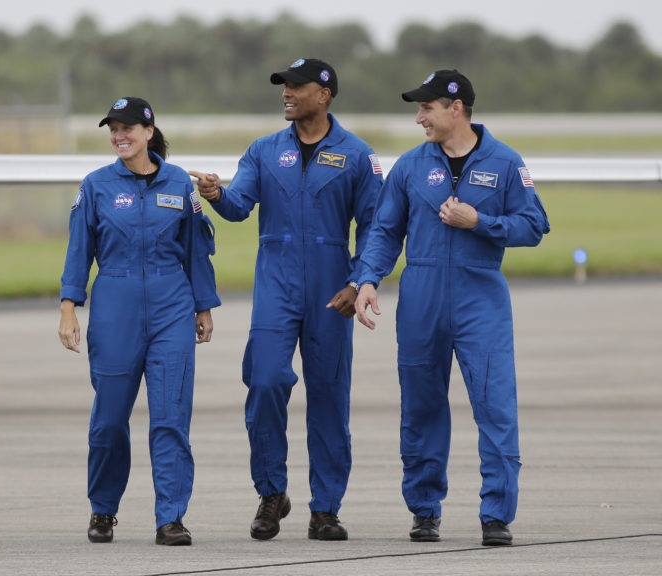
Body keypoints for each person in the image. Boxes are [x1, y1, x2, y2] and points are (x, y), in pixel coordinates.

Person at [353, 69, 550, 546]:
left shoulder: (505, 163)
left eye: (427, 108)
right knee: (420, 407)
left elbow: (534, 224)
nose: (419, 117)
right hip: (421, 297)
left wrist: (481, 221)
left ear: (455, 108)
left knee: (494, 407)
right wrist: (367, 279)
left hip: (479, 298)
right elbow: (384, 230)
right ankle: (424, 509)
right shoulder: (409, 166)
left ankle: (496, 514)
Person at [190, 58, 382, 541]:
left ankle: (326, 509)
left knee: (329, 398)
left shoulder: (357, 155)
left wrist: (358, 280)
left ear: (324, 94)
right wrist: (216, 193)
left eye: (296, 86)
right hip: (276, 285)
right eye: (283, 86)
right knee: (266, 382)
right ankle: (272, 492)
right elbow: (238, 208)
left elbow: (377, 227)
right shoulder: (263, 150)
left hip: (331, 287)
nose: (286, 93)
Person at [58, 96, 221, 546]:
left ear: (150, 132)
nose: (120, 135)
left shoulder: (179, 185)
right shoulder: (95, 186)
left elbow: (196, 249)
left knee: (170, 417)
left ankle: (170, 517)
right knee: (110, 419)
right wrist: (69, 305)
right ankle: (103, 508)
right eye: (113, 129)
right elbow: (78, 252)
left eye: (129, 127)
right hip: (115, 303)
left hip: (172, 304)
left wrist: (202, 305)